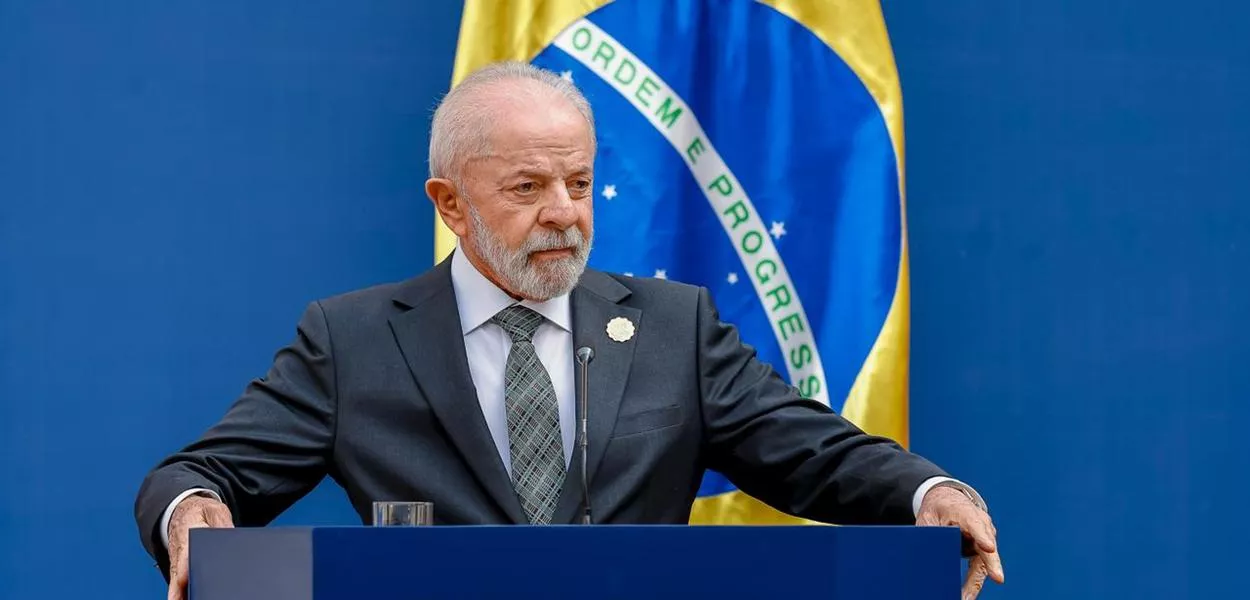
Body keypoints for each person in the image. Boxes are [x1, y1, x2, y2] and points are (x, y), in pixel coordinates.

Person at [135, 61, 1004, 600]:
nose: (564, 215)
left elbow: (814, 452)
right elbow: (198, 476)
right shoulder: (355, 339)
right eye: (526, 189)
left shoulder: (674, 326)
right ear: (450, 205)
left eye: (580, 184)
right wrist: (193, 511)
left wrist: (929, 493)